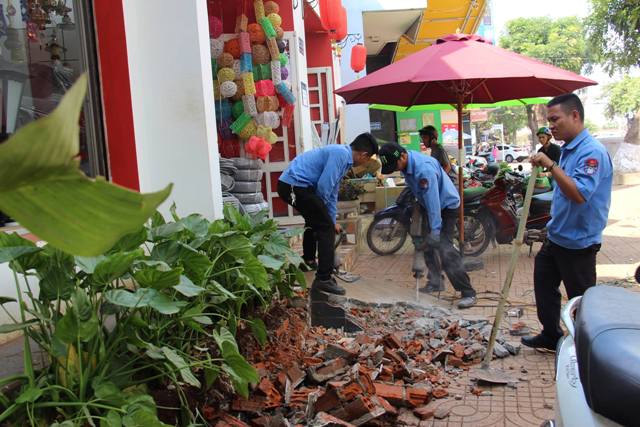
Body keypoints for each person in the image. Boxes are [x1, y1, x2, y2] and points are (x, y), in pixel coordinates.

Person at [522, 93, 613, 351]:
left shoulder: (592, 152)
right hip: (557, 236)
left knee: (580, 303)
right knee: (543, 284)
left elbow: (579, 194)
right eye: (548, 120)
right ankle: (551, 335)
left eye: (555, 119)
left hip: (579, 243)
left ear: (574, 115)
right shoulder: (569, 149)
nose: (551, 126)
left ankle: (586, 349)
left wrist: (551, 165)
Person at [277, 133, 379, 295]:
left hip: (293, 185)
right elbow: (324, 188)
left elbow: (332, 194)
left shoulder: (343, 159)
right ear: (364, 155)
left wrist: (331, 220)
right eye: (367, 160)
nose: (365, 163)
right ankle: (324, 279)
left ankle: (309, 261)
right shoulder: (341, 155)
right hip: (293, 185)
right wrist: (328, 223)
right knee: (324, 227)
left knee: (316, 220)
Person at [378, 142, 477, 309]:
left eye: (395, 165)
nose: (396, 169)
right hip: (428, 204)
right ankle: (436, 281)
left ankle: (468, 292)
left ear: (403, 156)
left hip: (446, 206)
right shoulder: (407, 162)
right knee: (425, 244)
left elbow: (434, 204)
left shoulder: (424, 171)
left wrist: (435, 231)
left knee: (444, 248)